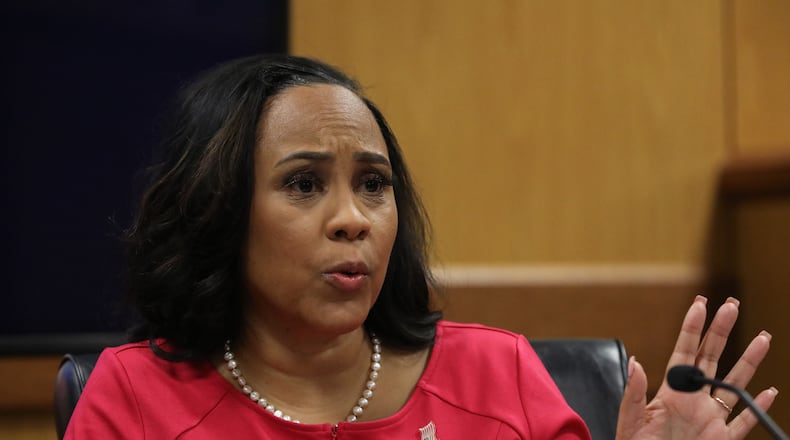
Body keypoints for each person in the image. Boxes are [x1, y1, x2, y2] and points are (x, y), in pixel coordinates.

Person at [64, 54, 778, 439]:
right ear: (218, 211)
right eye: (305, 184)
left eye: (374, 184)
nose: (354, 220)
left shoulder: (500, 378)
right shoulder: (133, 401)